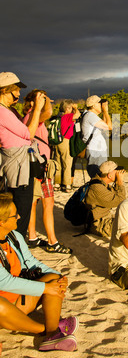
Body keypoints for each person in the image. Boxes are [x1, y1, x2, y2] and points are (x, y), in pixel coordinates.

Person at [0, 192, 78, 351]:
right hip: (4, 308)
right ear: (1, 222)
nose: (19, 217)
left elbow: (30, 262)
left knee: (53, 279)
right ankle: (46, 329)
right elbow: (5, 282)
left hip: (17, 301)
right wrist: (45, 288)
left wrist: (59, 277)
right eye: (15, 215)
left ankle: (52, 334)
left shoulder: (14, 237)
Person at [22, 89, 72, 254]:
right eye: (43, 98)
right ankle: (51, 241)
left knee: (38, 203)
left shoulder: (33, 116)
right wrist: (42, 101)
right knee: (42, 204)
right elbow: (49, 111)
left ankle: (33, 237)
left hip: (41, 166)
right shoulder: (32, 115)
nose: (46, 102)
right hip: (38, 167)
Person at [0, 72, 46, 238]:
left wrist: (35, 110)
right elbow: (29, 133)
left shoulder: (9, 110)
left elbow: (23, 128)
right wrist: (38, 108)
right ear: (5, 90)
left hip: (21, 164)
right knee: (21, 209)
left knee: (23, 207)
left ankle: (16, 246)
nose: (19, 94)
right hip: (17, 167)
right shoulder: (2, 111)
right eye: (16, 90)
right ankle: (16, 246)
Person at [84, 161, 126, 238]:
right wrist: (120, 182)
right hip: (99, 225)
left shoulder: (101, 183)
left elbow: (114, 194)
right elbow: (120, 200)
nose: (118, 173)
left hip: (104, 219)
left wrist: (117, 182)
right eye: (116, 171)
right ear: (109, 175)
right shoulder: (97, 188)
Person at [81, 95, 112, 178]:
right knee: (97, 176)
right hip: (95, 150)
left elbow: (104, 126)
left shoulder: (90, 115)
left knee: (101, 176)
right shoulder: (90, 116)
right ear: (94, 105)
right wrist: (106, 112)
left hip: (97, 150)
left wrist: (105, 112)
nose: (102, 106)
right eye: (100, 103)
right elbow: (109, 127)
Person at [53, 99, 81, 192]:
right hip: (65, 141)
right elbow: (78, 115)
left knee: (58, 163)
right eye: (71, 108)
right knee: (67, 163)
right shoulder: (68, 116)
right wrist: (75, 108)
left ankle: (57, 184)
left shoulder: (58, 116)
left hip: (56, 141)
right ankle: (67, 184)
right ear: (68, 108)